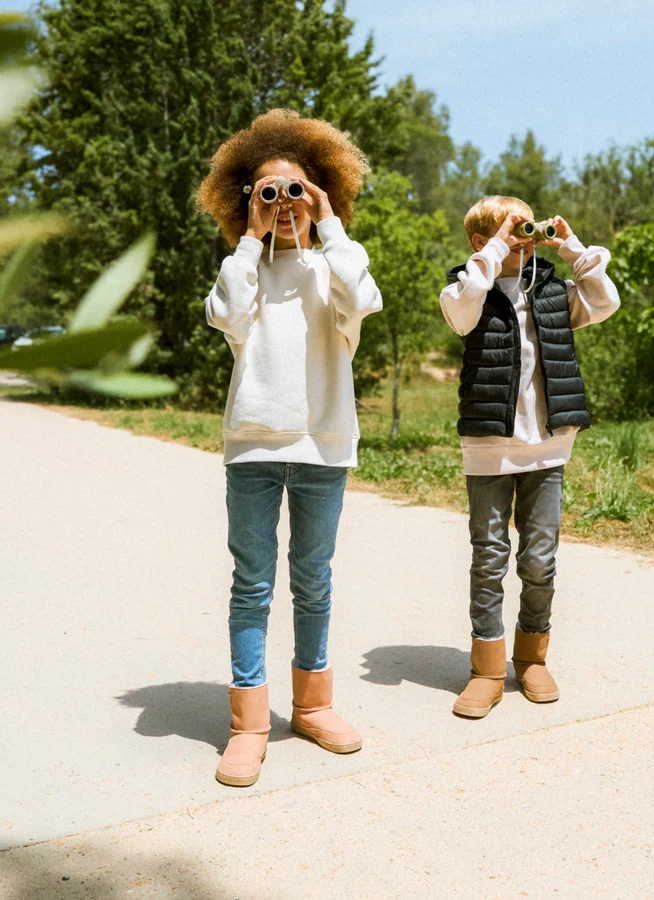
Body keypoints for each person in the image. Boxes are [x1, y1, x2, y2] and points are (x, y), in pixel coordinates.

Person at [197, 109, 382, 786]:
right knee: (252, 585)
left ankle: (314, 704)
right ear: (244, 203)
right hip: (251, 448)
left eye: (296, 191)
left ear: (322, 194)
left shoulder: (336, 266)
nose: (283, 205)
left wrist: (326, 221)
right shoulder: (241, 269)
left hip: (322, 447)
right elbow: (224, 314)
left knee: (313, 580)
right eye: (267, 193)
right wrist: (250, 240)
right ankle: (249, 722)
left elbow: (362, 294)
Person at [439, 195, 620, 718]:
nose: (523, 236)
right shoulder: (465, 291)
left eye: (526, 227)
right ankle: (487, 668)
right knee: (489, 560)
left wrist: (568, 245)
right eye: (509, 230)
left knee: (540, 560)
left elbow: (605, 300)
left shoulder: (553, 293)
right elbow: (463, 305)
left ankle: (532, 656)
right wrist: (497, 249)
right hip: (489, 449)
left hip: (547, 445)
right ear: (481, 242)